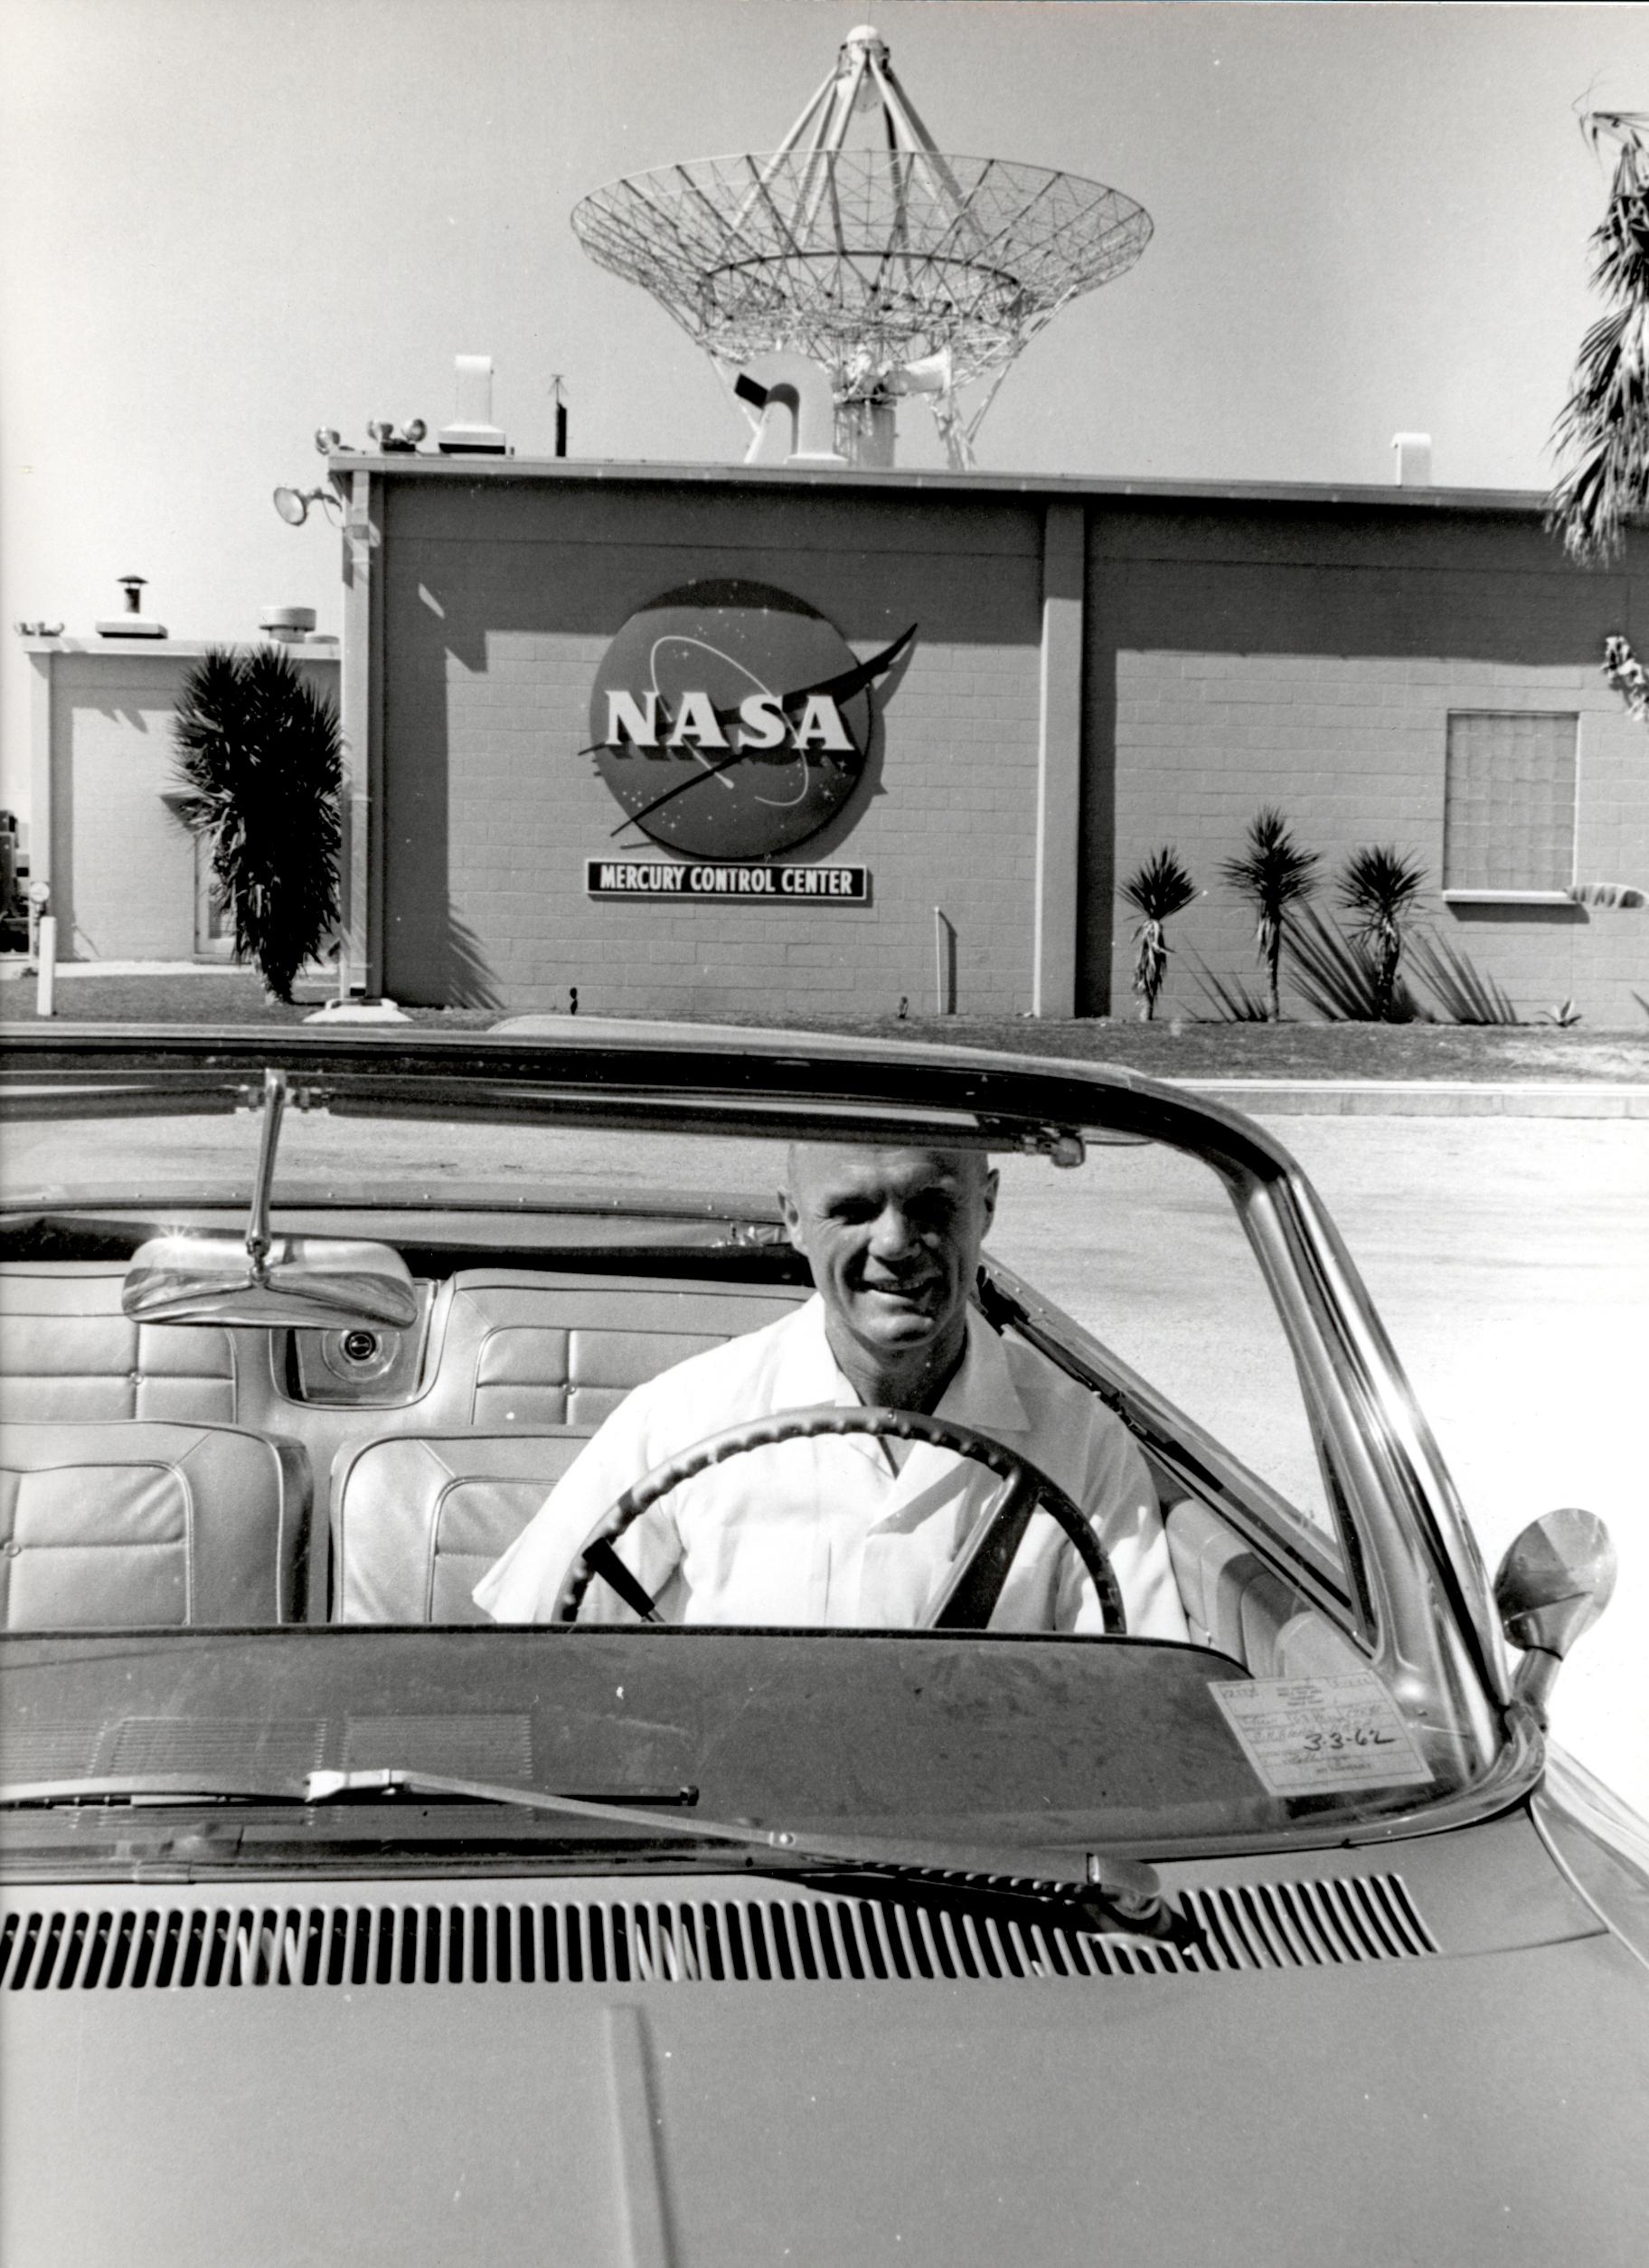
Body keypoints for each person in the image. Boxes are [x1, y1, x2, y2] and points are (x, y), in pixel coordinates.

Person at [474, 1143, 1188, 1638]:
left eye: (932, 1205)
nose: (896, 1243)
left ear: (988, 1205)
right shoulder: (681, 1419)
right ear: (792, 1219)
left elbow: (1136, 1700)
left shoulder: (1083, 1440)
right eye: (851, 1210)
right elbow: (532, 1649)